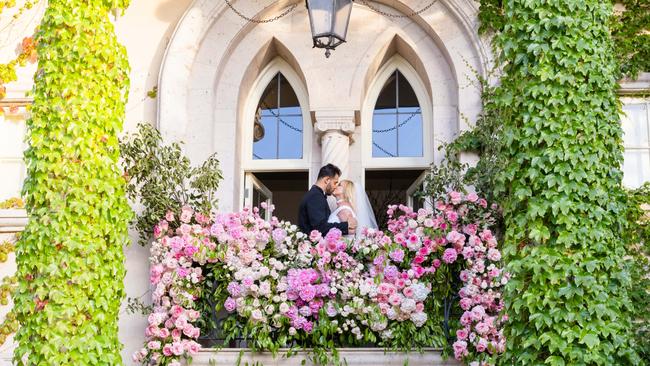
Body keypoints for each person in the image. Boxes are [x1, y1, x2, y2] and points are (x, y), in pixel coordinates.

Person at [298, 164, 357, 236]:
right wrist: (346, 225)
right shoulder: (315, 196)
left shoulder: (316, 194)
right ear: (327, 180)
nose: (335, 186)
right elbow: (320, 227)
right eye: (335, 183)